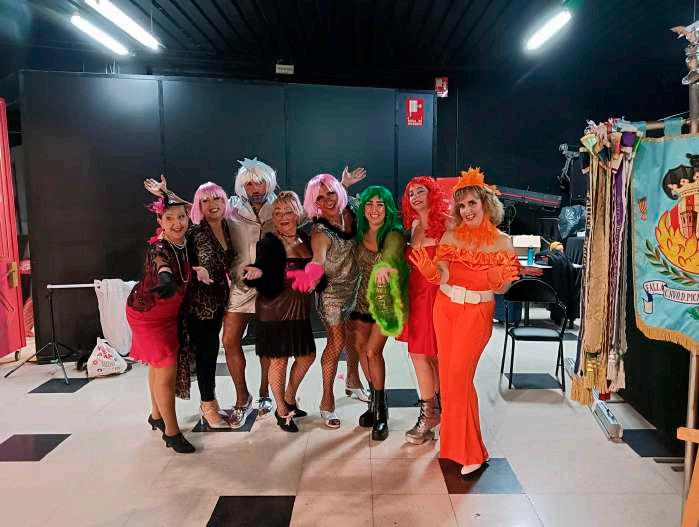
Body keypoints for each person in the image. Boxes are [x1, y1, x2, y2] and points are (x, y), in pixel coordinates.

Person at [409, 167, 520, 476]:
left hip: (476, 313)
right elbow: (443, 273)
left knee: (459, 377)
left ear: (486, 203)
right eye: (461, 205)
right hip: (445, 309)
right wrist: (432, 273)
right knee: (448, 378)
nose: (467, 210)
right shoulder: (451, 235)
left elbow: (504, 287)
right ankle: (453, 445)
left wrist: (497, 280)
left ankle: (472, 451)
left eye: (472, 203)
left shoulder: (502, 242)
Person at [125, 197, 206, 453]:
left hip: (169, 317)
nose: (176, 223)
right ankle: (172, 432)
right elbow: (162, 264)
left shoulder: (184, 241)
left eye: (181, 217)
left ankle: (156, 416)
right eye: (168, 218)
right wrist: (166, 278)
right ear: (159, 221)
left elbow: (192, 207)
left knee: (157, 364)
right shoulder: (159, 247)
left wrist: (166, 193)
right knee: (166, 369)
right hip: (147, 317)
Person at [300, 171, 368, 428]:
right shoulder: (319, 232)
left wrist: (343, 184)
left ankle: (353, 380)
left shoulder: (351, 209)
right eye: (319, 198)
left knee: (355, 336)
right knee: (337, 341)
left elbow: (339, 196)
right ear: (313, 202)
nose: (327, 200)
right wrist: (311, 276)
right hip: (331, 294)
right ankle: (327, 400)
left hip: (356, 284)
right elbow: (317, 260)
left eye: (330, 194)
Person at [243, 192, 316, 433]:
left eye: (288, 212)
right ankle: (282, 410)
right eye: (277, 213)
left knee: (307, 356)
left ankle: (290, 397)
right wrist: (256, 273)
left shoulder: (305, 238)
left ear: (298, 214)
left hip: (299, 310)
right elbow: (261, 267)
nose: (283, 217)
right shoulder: (269, 242)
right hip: (274, 311)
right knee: (279, 360)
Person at [350, 185, 408, 441]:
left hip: (385, 304)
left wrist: (385, 266)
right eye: (370, 204)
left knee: (373, 352)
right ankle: (373, 402)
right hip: (361, 301)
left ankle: (382, 410)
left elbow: (392, 255)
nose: (374, 209)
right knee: (361, 349)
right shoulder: (359, 233)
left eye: (380, 204)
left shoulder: (394, 234)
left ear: (388, 208)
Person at [399, 176, 449, 445]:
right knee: (419, 354)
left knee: (437, 356)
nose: (415, 197)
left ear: (433, 194)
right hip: (416, 296)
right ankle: (432, 412)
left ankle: (441, 412)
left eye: (421, 191)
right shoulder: (415, 225)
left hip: (438, 296)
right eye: (411, 193)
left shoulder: (448, 223)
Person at [181, 182, 235, 429]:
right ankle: (208, 405)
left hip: (219, 300)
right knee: (206, 354)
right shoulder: (194, 232)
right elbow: (174, 259)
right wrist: (195, 269)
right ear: (198, 206)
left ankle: (211, 401)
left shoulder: (227, 226)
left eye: (217, 199)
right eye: (205, 201)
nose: (213, 205)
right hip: (199, 304)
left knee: (211, 352)